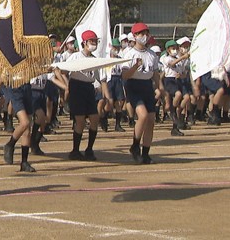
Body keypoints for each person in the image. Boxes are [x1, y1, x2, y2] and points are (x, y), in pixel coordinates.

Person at [66, 30, 112, 161]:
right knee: (80, 120)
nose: (94, 44)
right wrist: (66, 88)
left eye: (95, 41)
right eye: (91, 41)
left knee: (95, 118)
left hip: (88, 88)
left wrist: (107, 97)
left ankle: (89, 149)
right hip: (77, 87)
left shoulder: (94, 60)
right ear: (84, 43)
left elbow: (101, 79)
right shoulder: (75, 57)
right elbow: (63, 70)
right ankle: (75, 150)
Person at [121, 23, 162, 165]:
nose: (144, 36)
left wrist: (159, 87)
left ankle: (146, 153)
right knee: (143, 115)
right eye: (140, 33)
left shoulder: (151, 54)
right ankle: (135, 145)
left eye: (146, 33)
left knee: (150, 120)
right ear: (134, 36)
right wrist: (135, 66)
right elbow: (125, 75)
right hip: (134, 85)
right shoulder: (129, 54)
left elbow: (155, 73)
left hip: (147, 86)